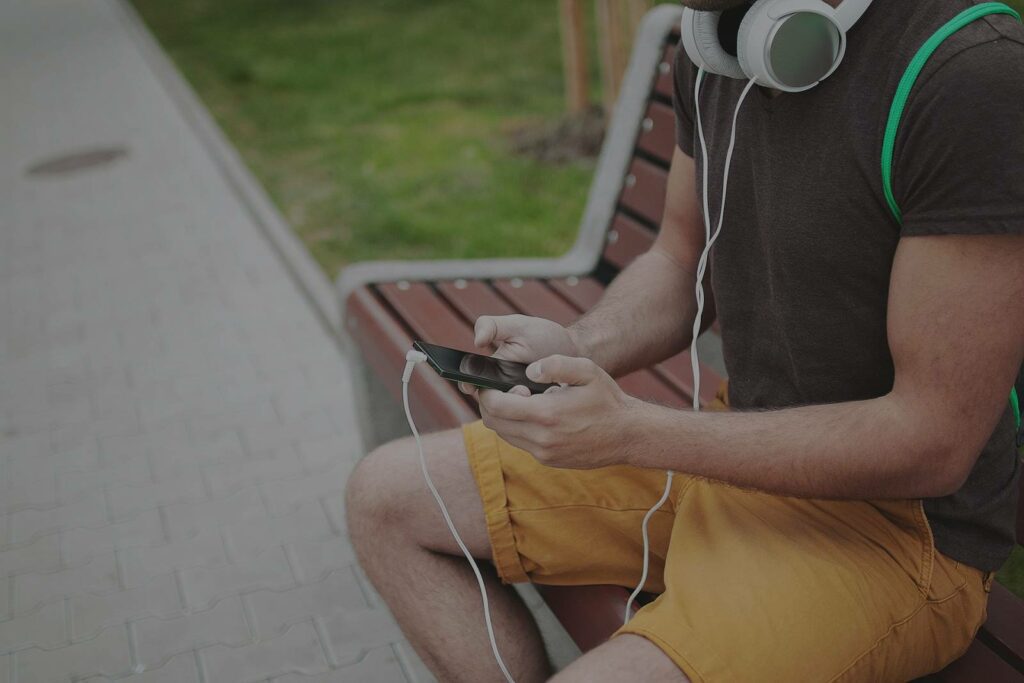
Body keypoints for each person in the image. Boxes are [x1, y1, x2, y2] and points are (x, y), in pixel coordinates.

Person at [346, 0, 1024, 680]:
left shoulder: (969, 76)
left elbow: (931, 439)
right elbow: (678, 261)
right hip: (735, 452)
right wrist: (576, 347)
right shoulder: (719, 40)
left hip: (893, 533)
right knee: (384, 499)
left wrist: (633, 432)